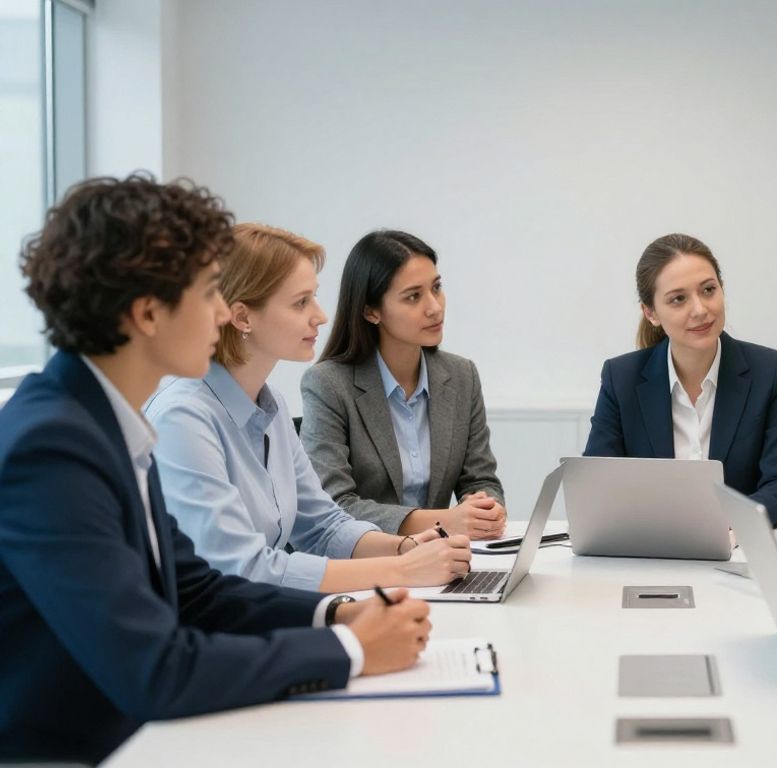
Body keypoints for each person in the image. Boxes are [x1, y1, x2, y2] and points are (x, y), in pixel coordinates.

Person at [0, 175, 431, 764]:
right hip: (84, 751)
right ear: (148, 313)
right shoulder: (52, 447)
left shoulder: (104, 420)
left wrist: (335, 611)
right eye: (208, 293)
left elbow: (197, 590)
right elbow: (154, 668)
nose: (223, 312)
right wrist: (349, 650)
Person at [146, 223, 471, 592]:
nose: (320, 315)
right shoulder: (183, 419)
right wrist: (402, 571)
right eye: (301, 302)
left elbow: (323, 525)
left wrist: (404, 547)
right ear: (242, 317)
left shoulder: (271, 406)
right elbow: (242, 569)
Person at [583, 233, 777, 526]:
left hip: (738, 553)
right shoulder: (621, 378)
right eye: (678, 299)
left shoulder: (771, 371)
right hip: (650, 553)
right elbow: (597, 487)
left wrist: (719, 524)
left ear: (722, 289)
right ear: (650, 313)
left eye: (708, 290)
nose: (700, 310)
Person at [302, 229, 506, 538]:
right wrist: (444, 521)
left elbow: (481, 480)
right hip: (368, 565)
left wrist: (484, 506)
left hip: (444, 561)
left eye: (436, 288)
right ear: (371, 311)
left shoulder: (462, 375)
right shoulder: (328, 385)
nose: (435, 307)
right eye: (413, 296)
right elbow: (335, 505)